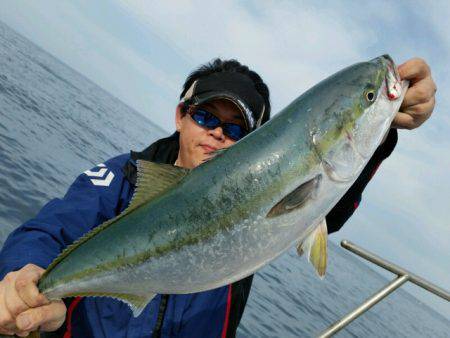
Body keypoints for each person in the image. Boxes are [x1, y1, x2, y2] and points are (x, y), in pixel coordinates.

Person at [0, 57, 436, 337]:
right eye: (206, 115)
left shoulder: (269, 189)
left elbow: (325, 202)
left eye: (236, 129)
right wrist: (26, 277)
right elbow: (51, 226)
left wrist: (383, 130)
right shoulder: (126, 176)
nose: (216, 133)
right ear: (181, 116)